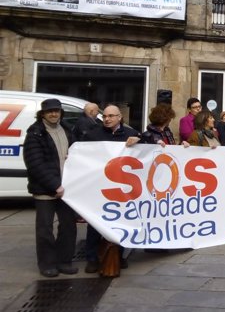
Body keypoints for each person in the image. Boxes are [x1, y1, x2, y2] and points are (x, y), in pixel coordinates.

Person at [23, 98, 78, 277]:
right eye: (50, 111)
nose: (54, 114)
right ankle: (47, 263)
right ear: (43, 114)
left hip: (67, 189)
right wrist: (55, 185)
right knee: (45, 229)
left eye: (57, 111)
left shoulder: (68, 130)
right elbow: (35, 164)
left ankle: (64, 261)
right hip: (46, 191)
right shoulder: (35, 133)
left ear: (61, 112)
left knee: (68, 226)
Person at [83, 104, 140, 273]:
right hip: (99, 187)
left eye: (111, 116)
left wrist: (139, 141)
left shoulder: (131, 134)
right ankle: (92, 258)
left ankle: (118, 255)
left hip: (121, 188)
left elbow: (148, 149)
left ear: (119, 117)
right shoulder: (93, 135)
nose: (107, 119)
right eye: (105, 116)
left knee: (120, 222)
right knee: (95, 224)